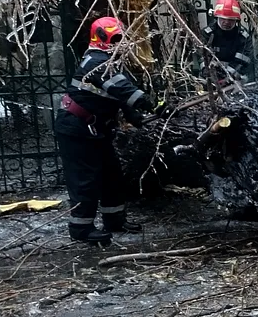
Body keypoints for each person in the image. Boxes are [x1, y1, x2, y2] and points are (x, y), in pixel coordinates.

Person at [54, 16, 172, 245]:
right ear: (102, 39)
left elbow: (118, 98)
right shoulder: (96, 62)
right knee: (85, 181)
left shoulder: (111, 62)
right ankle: (81, 229)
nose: (121, 43)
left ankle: (114, 220)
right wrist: (158, 107)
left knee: (112, 176)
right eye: (116, 39)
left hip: (95, 129)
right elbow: (126, 91)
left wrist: (136, 118)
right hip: (76, 129)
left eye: (122, 38)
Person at [202, 0, 252, 87]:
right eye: (223, 19)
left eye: (230, 20)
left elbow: (242, 61)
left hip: (234, 77)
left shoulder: (243, 37)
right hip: (210, 76)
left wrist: (228, 76)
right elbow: (202, 57)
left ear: (236, 20)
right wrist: (209, 74)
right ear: (217, 17)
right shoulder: (207, 33)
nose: (226, 22)